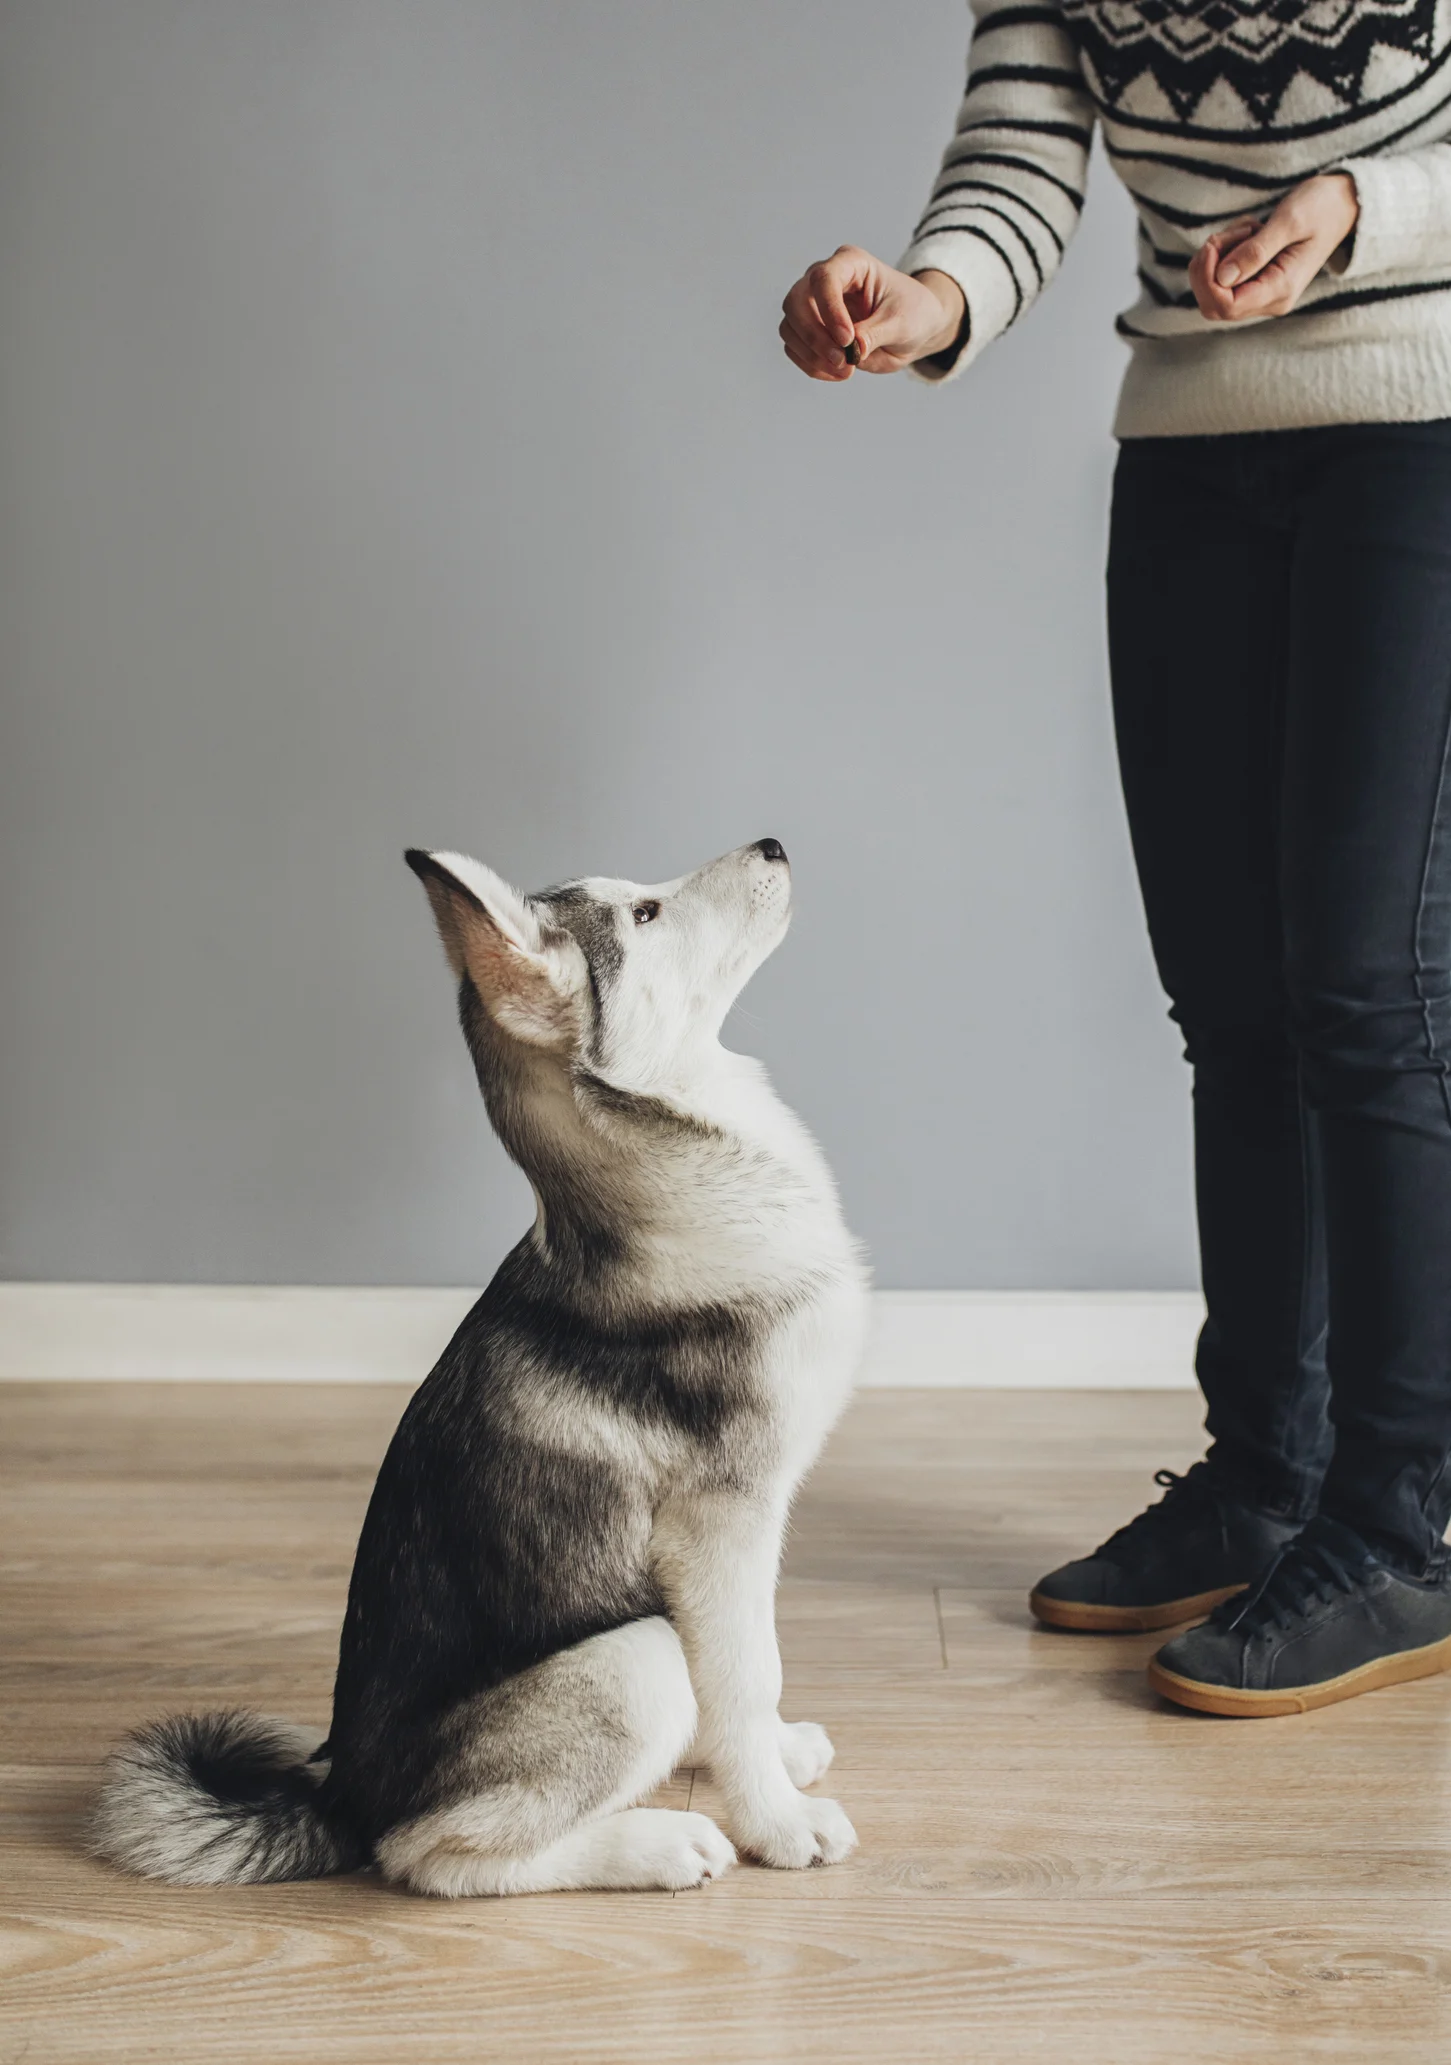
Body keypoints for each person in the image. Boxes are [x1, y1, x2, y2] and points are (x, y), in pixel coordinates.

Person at [782, 0, 1451, 1717]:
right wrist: (923, 301)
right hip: (1190, 450)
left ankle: (1407, 1521)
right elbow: (1019, 153)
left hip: (1421, 429)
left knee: (1365, 994)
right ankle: (1267, 1475)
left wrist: (1363, 210)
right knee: (1233, 1002)